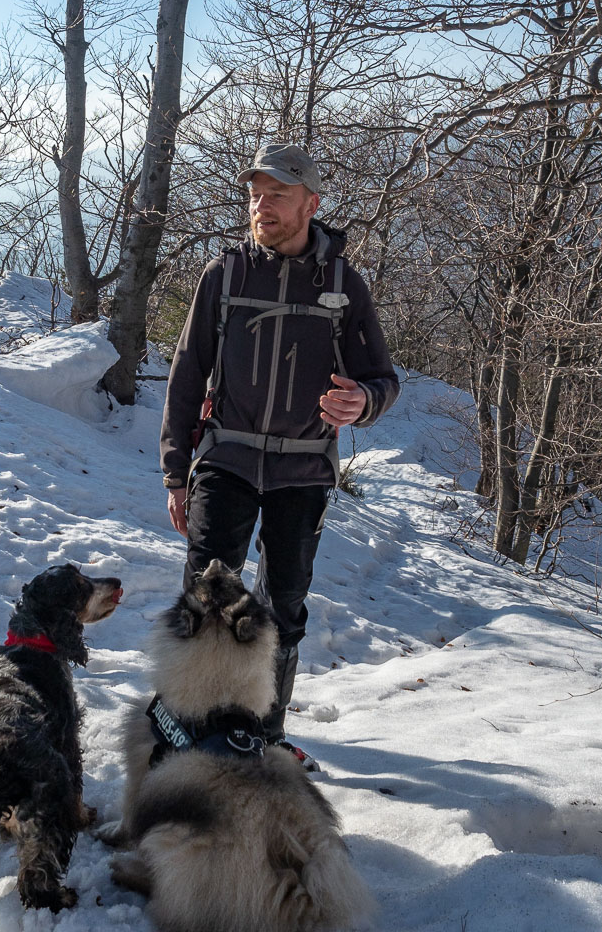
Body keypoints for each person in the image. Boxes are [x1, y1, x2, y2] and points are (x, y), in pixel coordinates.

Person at [160, 143, 399, 754]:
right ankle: (190, 735)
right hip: (227, 458)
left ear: (311, 203)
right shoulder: (226, 276)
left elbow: (382, 379)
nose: (261, 206)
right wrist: (175, 473)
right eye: (255, 194)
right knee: (203, 602)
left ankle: (261, 736)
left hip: (303, 470)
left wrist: (362, 402)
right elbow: (188, 374)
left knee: (284, 609)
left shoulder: (345, 287)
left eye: (278, 195)